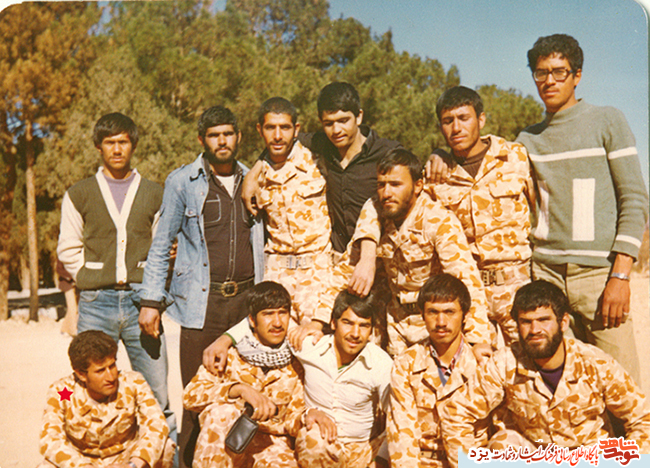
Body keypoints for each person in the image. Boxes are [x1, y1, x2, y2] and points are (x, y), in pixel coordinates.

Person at [516, 34, 649, 381]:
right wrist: (439, 157)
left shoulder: (607, 121)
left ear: (577, 75)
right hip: (545, 276)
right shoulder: (526, 140)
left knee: (623, 388)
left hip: (599, 277)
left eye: (559, 71)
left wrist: (620, 275)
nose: (549, 81)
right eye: (541, 72)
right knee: (565, 388)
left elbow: (635, 199)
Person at [137, 106, 265, 468]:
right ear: (201, 139)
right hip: (200, 306)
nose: (222, 141)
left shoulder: (255, 178)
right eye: (213, 135)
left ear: (239, 136)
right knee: (196, 398)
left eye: (228, 133)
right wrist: (150, 300)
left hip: (246, 306)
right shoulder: (182, 182)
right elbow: (162, 243)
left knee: (248, 393)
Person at [56, 112, 175, 440]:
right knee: (88, 390)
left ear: (133, 144)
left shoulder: (154, 193)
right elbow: (67, 247)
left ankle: (163, 456)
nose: (117, 149)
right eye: (110, 143)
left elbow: (162, 248)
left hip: (143, 305)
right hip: (96, 303)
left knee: (156, 393)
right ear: (99, 147)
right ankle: (95, 455)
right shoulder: (79, 193)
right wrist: (90, 275)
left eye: (123, 142)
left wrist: (151, 292)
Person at [441, 281, 650, 466]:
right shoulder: (504, 363)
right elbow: (457, 414)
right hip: (536, 459)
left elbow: (643, 418)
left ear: (563, 322)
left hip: (589, 459)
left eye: (544, 320)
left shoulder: (594, 363)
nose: (535, 330)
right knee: (504, 443)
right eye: (526, 321)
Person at [222, 290, 393, 467]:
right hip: (322, 444)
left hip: (363, 450)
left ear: (371, 330)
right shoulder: (309, 347)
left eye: (364, 326)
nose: (355, 333)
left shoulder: (380, 363)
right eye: (347, 323)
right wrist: (225, 340)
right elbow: (270, 324)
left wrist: (380, 459)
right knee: (313, 440)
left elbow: (396, 417)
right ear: (333, 323)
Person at [356, 148, 493, 357]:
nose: (386, 193)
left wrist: (477, 340)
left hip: (434, 326)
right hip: (395, 325)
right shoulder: (379, 214)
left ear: (418, 185)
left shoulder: (438, 220)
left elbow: (466, 280)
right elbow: (347, 269)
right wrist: (317, 321)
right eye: (381, 185)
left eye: (395, 184)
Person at [427, 86, 534, 346]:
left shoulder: (515, 158)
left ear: (481, 119)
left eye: (464, 118)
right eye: (448, 121)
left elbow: (542, 211)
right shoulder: (436, 176)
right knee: (476, 363)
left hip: (517, 285)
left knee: (530, 361)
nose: (456, 128)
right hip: (467, 291)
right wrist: (436, 154)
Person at [182, 282, 304, 468]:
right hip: (226, 442)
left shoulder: (297, 361)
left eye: (282, 313)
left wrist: (307, 418)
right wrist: (237, 390)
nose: (277, 323)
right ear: (252, 321)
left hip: (271, 444)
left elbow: (295, 418)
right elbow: (190, 396)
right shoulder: (229, 355)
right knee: (222, 413)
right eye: (268, 314)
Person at [388, 274, 488, 467]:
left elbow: (497, 430)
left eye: (450, 312)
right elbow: (402, 435)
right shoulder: (406, 364)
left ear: (465, 315)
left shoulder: (483, 365)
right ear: (422, 315)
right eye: (433, 312)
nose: (441, 321)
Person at [39, 330, 174, 468]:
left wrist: (133, 464)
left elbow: (157, 424)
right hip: (81, 460)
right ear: (81, 374)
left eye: (112, 366)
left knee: (165, 447)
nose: (110, 377)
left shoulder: (133, 382)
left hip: (125, 457)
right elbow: (49, 440)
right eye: (100, 371)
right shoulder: (62, 390)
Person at [252, 97, 333, 327]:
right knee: (274, 342)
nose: (278, 136)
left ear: (296, 129)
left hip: (317, 273)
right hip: (276, 273)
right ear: (260, 130)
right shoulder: (256, 175)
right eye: (270, 128)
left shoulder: (319, 161)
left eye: (285, 127)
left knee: (314, 342)